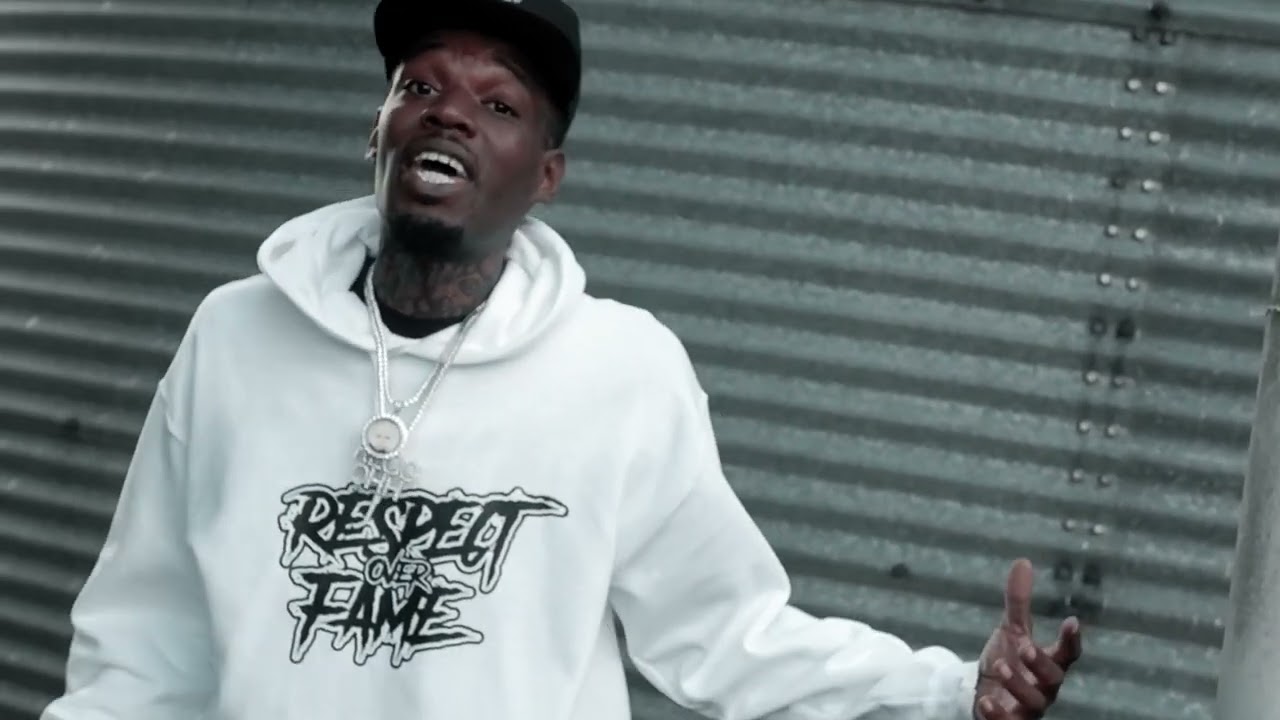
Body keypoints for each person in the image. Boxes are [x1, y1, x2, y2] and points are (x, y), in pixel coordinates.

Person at [40, 1, 1082, 719]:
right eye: (419, 85)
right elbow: (143, 639)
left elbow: (722, 634)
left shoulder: (620, 370)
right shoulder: (234, 334)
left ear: (546, 176)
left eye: (497, 104)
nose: (449, 111)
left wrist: (948, 691)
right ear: (380, 128)